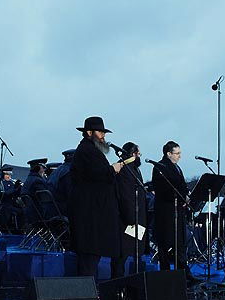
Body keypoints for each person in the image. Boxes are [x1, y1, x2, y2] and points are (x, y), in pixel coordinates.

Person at [69, 116, 123, 277]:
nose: (103, 136)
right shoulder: (87, 151)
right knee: (88, 260)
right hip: (90, 215)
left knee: (90, 258)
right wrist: (113, 169)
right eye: (100, 132)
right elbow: (97, 175)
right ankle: (86, 295)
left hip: (93, 214)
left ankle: (87, 293)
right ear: (89, 132)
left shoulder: (90, 150)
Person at [151, 141, 190, 275]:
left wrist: (186, 196)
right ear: (168, 154)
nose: (179, 156)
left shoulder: (177, 168)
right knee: (165, 243)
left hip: (178, 210)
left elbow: (182, 186)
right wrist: (180, 198)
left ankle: (182, 272)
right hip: (166, 212)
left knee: (180, 243)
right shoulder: (160, 167)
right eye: (177, 153)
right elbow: (163, 189)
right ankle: (166, 273)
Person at [112, 142, 148, 278]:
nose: (139, 156)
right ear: (133, 154)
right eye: (138, 154)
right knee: (122, 254)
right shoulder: (125, 169)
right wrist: (131, 219)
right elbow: (126, 195)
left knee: (133, 251)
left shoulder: (133, 169)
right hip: (128, 218)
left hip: (135, 216)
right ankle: (118, 282)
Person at [48, 148, 75, 217]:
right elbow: (71, 194)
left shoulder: (57, 171)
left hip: (53, 209)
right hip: (63, 209)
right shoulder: (69, 172)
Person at [22, 158, 50, 224]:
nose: (44, 170)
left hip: (31, 212)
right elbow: (46, 198)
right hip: (38, 214)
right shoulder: (38, 181)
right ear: (38, 168)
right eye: (43, 167)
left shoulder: (30, 179)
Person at [0, 165, 22, 232]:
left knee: (22, 211)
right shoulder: (1, 183)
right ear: (3, 174)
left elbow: (15, 194)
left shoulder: (11, 183)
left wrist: (19, 188)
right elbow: (6, 193)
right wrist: (15, 188)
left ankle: (19, 229)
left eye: (10, 174)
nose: (9, 176)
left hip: (11, 204)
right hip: (4, 205)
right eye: (7, 174)